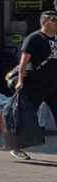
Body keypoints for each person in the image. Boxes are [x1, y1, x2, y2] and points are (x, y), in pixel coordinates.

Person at [11, 11, 57, 161]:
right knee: (27, 118)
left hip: (53, 86)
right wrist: (20, 81)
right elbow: (23, 62)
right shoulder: (34, 38)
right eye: (54, 20)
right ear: (44, 22)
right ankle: (17, 147)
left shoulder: (56, 39)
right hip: (35, 86)